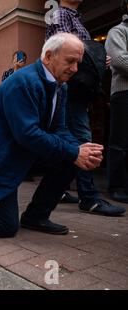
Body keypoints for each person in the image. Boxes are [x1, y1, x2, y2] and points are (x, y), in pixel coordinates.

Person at [0, 33, 112, 238]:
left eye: (78, 63)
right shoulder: (23, 83)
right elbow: (28, 134)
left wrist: (80, 150)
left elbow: (59, 129)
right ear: (48, 57)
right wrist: (73, 151)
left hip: (23, 153)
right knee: (5, 226)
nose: (75, 69)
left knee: (71, 159)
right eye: (70, 61)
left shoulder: (60, 86)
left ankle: (36, 216)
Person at [46, 0, 126, 216]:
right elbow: (66, 51)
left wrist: (100, 59)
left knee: (67, 135)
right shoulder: (61, 14)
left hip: (74, 86)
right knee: (82, 135)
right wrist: (93, 57)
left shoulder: (74, 17)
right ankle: (89, 198)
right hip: (71, 85)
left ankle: (59, 189)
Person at [105, 0, 128, 203]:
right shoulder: (118, 31)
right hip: (123, 92)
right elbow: (120, 61)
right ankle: (117, 186)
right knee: (120, 142)